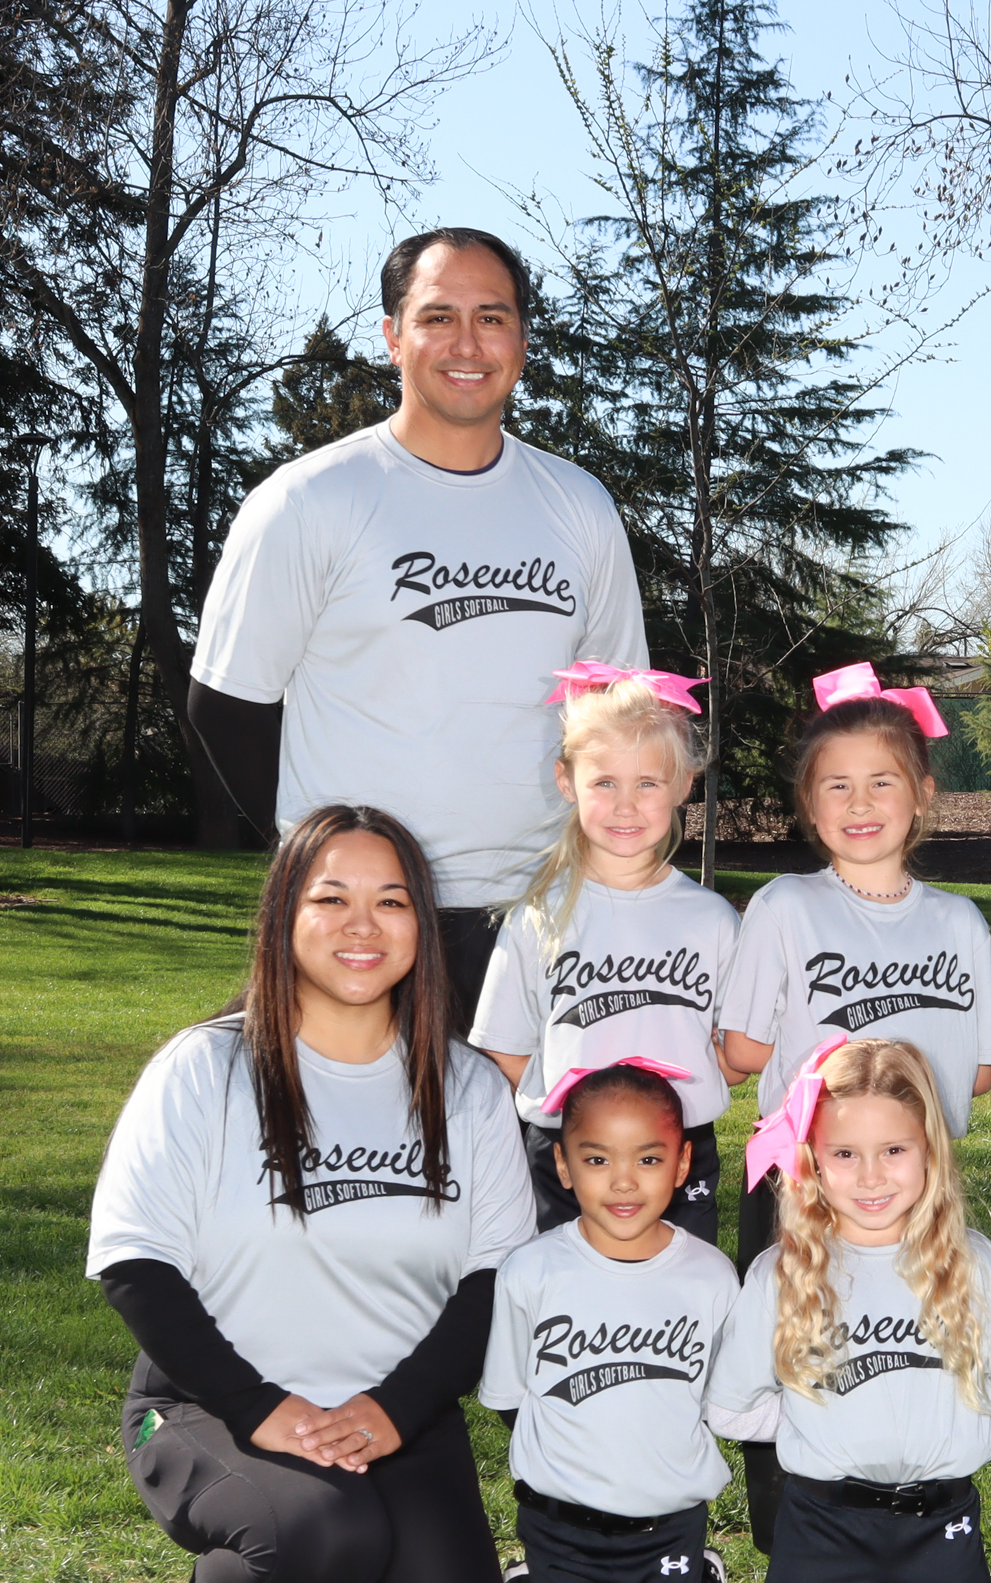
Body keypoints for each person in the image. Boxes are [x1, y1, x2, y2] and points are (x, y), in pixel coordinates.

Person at [88, 804, 533, 1583]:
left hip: (391, 1416)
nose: (362, 926)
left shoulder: (468, 1086)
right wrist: (263, 1407)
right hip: (216, 1407)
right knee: (319, 1537)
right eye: (331, 899)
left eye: (391, 901)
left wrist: (393, 1410)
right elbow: (135, 1265)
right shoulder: (205, 1068)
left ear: (423, 924)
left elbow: (493, 1283)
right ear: (284, 913)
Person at [188, 227, 650, 1030]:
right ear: (393, 337)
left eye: (492, 317)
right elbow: (225, 706)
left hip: (543, 920)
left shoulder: (581, 507)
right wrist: (331, 867)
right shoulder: (308, 500)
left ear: (522, 341)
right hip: (369, 928)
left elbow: (619, 719)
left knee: (538, 1121)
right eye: (438, 317)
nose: (467, 343)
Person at [719, 664, 991, 1552]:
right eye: (836, 785)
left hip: (914, 1190)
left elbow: (980, 1074)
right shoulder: (785, 906)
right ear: (808, 803)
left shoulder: (959, 922)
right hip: (807, 1185)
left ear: (924, 794)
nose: (860, 802)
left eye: (883, 781)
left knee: (904, 1362)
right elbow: (742, 1052)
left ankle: (906, 1563)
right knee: (802, 1355)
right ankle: (798, 1561)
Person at [706, 1039, 991, 1583]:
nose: (870, 1176)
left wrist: (955, 1416)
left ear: (930, 1152)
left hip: (938, 1521)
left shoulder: (974, 1264)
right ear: (811, 1160)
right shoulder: (783, 1272)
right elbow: (729, 1407)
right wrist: (820, 1425)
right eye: (844, 1153)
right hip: (822, 1521)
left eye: (894, 1150)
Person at [480, 1060, 740, 1583]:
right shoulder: (531, 1272)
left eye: (648, 1159)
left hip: (668, 1526)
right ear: (563, 1167)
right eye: (597, 1159)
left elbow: (719, 1401)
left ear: (682, 1164)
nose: (624, 1181)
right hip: (561, 1530)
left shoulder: (712, 1277)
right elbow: (510, 1397)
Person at [468, 668, 740, 1240]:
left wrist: (686, 1092)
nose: (625, 805)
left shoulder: (712, 919)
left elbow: (734, 1049)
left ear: (683, 784)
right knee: (563, 1289)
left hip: (679, 1150)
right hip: (569, 1156)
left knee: (681, 1288)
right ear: (566, 780)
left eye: (647, 784)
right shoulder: (537, 917)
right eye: (605, 783)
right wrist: (573, 1112)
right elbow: (506, 1048)